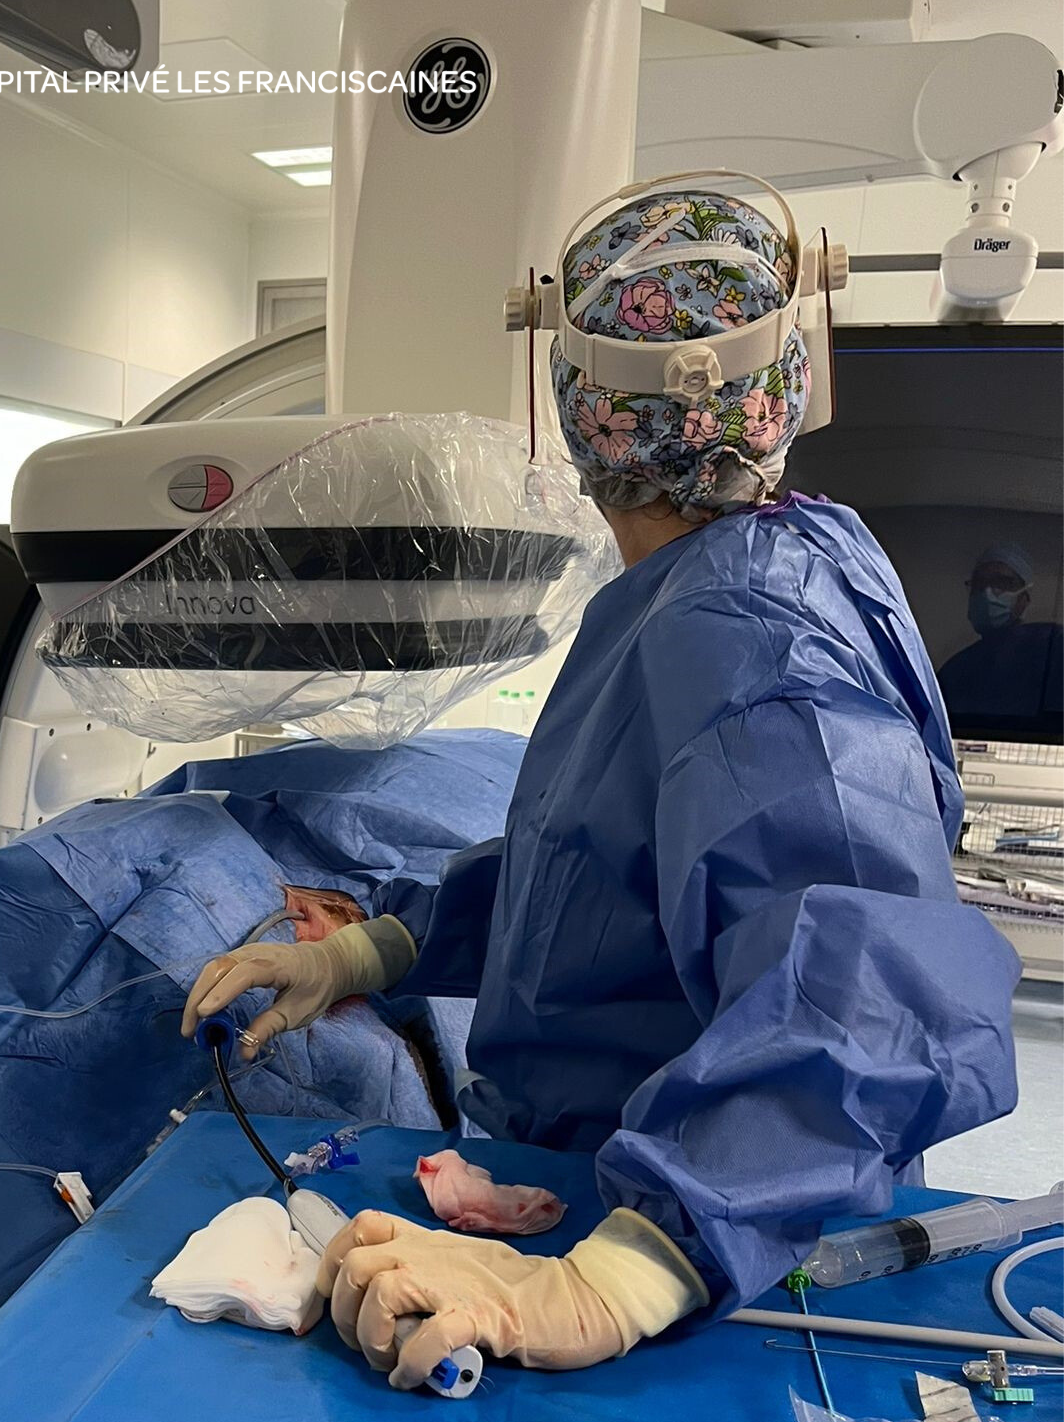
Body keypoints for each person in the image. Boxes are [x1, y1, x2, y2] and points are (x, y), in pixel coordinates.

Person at [183, 184, 1021, 1388]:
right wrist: (374, 948)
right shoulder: (734, 578)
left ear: (571, 407)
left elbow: (866, 989)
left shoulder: (752, 638)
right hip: (622, 1185)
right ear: (797, 374)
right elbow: (593, 870)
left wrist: (623, 1276)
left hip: (716, 1231)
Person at [937, 543, 1063, 725]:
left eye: (1002, 583)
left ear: (1023, 600)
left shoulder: (1053, 649)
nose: (987, 592)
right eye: (980, 583)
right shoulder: (956, 670)